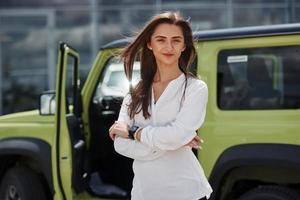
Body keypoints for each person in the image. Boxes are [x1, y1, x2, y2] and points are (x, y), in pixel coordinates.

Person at [109, 11, 213, 200]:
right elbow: (120, 145)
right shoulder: (134, 93)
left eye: (176, 40)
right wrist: (173, 141)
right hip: (143, 192)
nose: (168, 47)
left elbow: (175, 136)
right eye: (161, 40)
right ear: (150, 44)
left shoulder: (195, 88)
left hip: (186, 192)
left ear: (184, 46)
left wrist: (134, 133)